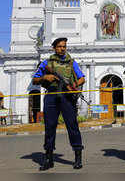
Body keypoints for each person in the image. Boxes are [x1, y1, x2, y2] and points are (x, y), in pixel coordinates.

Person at [32, 37, 85, 171]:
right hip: (51, 95)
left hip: (67, 96)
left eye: (64, 46)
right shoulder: (46, 63)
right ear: (54, 48)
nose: (62, 48)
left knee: (72, 126)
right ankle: (49, 158)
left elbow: (82, 78)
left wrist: (73, 85)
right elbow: (35, 79)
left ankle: (78, 157)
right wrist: (45, 77)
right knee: (49, 127)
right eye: (60, 46)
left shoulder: (71, 62)